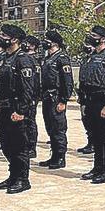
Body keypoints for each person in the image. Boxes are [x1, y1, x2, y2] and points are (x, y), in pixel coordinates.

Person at [0, 24, 37, 194]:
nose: (1, 37)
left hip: (17, 109)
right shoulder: (4, 58)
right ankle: (13, 176)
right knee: (6, 144)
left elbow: (28, 89)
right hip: (4, 107)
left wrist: (22, 111)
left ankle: (22, 179)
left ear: (15, 39)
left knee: (19, 147)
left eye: (4, 35)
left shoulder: (23, 59)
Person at [77, 25, 105, 184]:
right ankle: (98, 167)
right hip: (90, 100)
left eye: (94, 35)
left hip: (103, 101)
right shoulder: (90, 56)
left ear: (103, 39)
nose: (91, 37)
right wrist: (82, 101)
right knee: (95, 136)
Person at [38, 29, 73, 169]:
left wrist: (63, 100)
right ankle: (53, 155)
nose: (44, 42)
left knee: (58, 129)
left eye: (47, 40)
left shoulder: (62, 58)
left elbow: (67, 81)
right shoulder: (48, 58)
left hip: (56, 97)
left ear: (54, 43)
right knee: (50, 128)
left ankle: (60, 157)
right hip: (47, 97)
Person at [21, 35, 42, 161]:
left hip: (32, 94)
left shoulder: (36, 59)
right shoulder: (24, 57)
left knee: (30, 122)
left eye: (27, 43)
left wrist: (35, 96)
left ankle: (31, 147)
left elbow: (37, 79)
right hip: (25, 94)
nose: (25, 45)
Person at [75, 41, 96, 156]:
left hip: (92, 93)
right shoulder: (85, 59)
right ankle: (89, 142)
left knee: (92, 120)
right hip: (84, 93)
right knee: (85, 118)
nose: (86, 47)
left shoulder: (96, 59)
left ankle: (93, 143)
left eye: (89, 45)